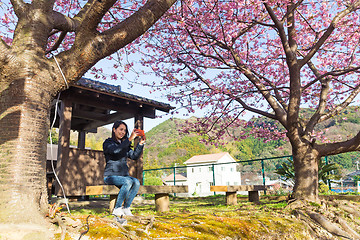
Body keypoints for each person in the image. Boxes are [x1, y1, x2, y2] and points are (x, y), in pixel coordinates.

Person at [103, 120, 146, 217]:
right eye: (120, 129)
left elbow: (134, 156)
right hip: (110, 176)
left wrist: (140, 144)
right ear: (114, 129)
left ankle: (126, 208)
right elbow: (115, 151)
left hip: (124, 176)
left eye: (124, 130)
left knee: (136, 182)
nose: (123, 132)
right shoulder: (108, 143)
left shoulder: (125, 145)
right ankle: (117, 208)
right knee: (128, 181)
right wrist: (130, 139)